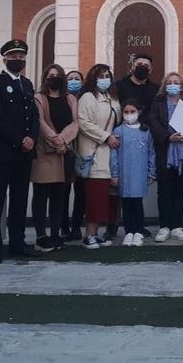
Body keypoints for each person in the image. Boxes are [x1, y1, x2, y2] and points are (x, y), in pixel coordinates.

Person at [0, 39, 39, 263]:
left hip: (24, 153)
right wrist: (20, 140)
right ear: (5, 58)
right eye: (14, 56)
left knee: (19, 199)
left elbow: (33, 116)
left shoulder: (27, 84)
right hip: (4, 152)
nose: (18, 60)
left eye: (21, 57)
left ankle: (17, 242)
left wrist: (32, 138)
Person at [147, 72, 183, 242]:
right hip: (165, 152)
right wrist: (168, 137)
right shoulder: (158, 103)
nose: (172, 84)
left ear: (182, 85)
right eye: (169, 82)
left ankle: (177, 226)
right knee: (164, 191)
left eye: (176, 82)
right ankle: (164, 227)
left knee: (181, 191)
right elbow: (152, 122)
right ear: (164, 85)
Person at [32, 64, 79, 252]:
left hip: (64, 152)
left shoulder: (70, 98)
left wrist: (63, 140)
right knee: (41, 194)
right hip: (45, 153)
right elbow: (40, 121)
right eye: (50, 75)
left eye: (57, 75)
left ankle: (55, 233)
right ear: (45, 78)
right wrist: (55, 140)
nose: (54, 78)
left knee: (60, 196)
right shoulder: (39, 98)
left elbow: (76, 123)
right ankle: (41, 235)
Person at [77, 63, 121, 249]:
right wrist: (105, 136)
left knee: (108, 197)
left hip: (111, 153)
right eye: (100, 76)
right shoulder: (87, 98)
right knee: (95, 195)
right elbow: (83, 123)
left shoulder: (112, 98)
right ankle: (89, 234)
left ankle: (99, 233)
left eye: (107, 76)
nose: (104, 79)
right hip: (94, 151)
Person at [110, 101, 155, 246]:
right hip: (124, 173)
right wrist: (115, 174)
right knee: (126, 203)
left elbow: (151, 152)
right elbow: (114, 154)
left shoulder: (145, 131)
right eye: (126, 112)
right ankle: (128, 231)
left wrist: (151, 172)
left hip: (140, 173)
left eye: (132, 111)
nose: (129, 114)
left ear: (139, 112)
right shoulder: (118, 131)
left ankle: (138, 231)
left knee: (137, 203)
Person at [61, 69, 85, 243]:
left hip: (83, 150)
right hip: (65, 150)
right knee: (63, 190)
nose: (74, 81)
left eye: (77, 79)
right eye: (70, 79)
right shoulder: (61, 100)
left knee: (81, 191)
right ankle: (63, 226)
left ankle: (76, 226)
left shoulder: (85, 100)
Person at [115, 53, 159, 121]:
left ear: (150, 70)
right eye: (139, 64)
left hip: (148, 129)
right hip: (123, 128)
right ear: (132, 67)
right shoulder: (118, 86)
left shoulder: (156, 90)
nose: (142, 67)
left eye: (146, 66)